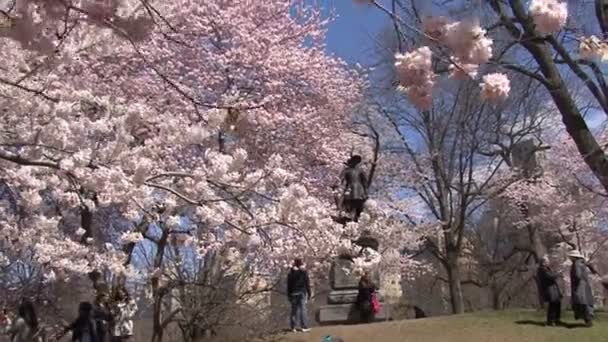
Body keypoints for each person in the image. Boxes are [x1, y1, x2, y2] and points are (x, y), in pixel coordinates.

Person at [568, 250, 594, 327]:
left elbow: (577, 275)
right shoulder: (582, 263)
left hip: (579, 287)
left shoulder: (576, 264)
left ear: (573, 257)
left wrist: (576, 281)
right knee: (584, 303)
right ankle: (588, 320)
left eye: (571, 257)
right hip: (584, 286)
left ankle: (588, 320)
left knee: (582, 303)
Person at [340, 155, 368, 222]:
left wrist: (365, 192)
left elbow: (365, 182)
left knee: (356, 210)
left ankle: (353, 222)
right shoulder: (348, 170)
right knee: (353, 209)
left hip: (353, 191)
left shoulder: (357, 171)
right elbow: (340, 179)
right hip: (356, 192)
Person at [286, 258, 311, 332]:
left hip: (293, 293)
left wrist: (289, 294)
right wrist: (309, 293)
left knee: (294, 310)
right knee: (303, 309)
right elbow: (307, 283)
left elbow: (289, 285)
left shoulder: (291, 273)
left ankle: (293, 327)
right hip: (302, 292)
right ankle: (304, 326)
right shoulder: (303, 272)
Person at [537, 256, 563, 326]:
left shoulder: (547, 269)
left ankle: (557, 319)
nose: (548, 262)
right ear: (543, 262)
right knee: (552, 306)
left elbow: (552, 275)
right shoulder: (542, 270)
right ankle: (551, 321)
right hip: (549, 289)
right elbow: (550, 276)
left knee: (557, 304)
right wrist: (558, 273)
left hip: (553, 289)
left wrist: (556, 273)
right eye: (547, 261)